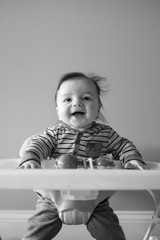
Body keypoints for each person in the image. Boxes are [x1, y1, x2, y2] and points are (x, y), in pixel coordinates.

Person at [19, 72, 147, 240]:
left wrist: (132, 159)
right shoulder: (54, 134)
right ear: (58, 110)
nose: (77, 103)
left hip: (95, 200)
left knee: (110, 233)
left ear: (98, 107)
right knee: (37, 232)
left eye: (86, 98)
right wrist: (30, 158)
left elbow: (123, 145)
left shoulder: (106, 134)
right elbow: (38, 144)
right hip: (54, 198)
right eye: (67, 99)